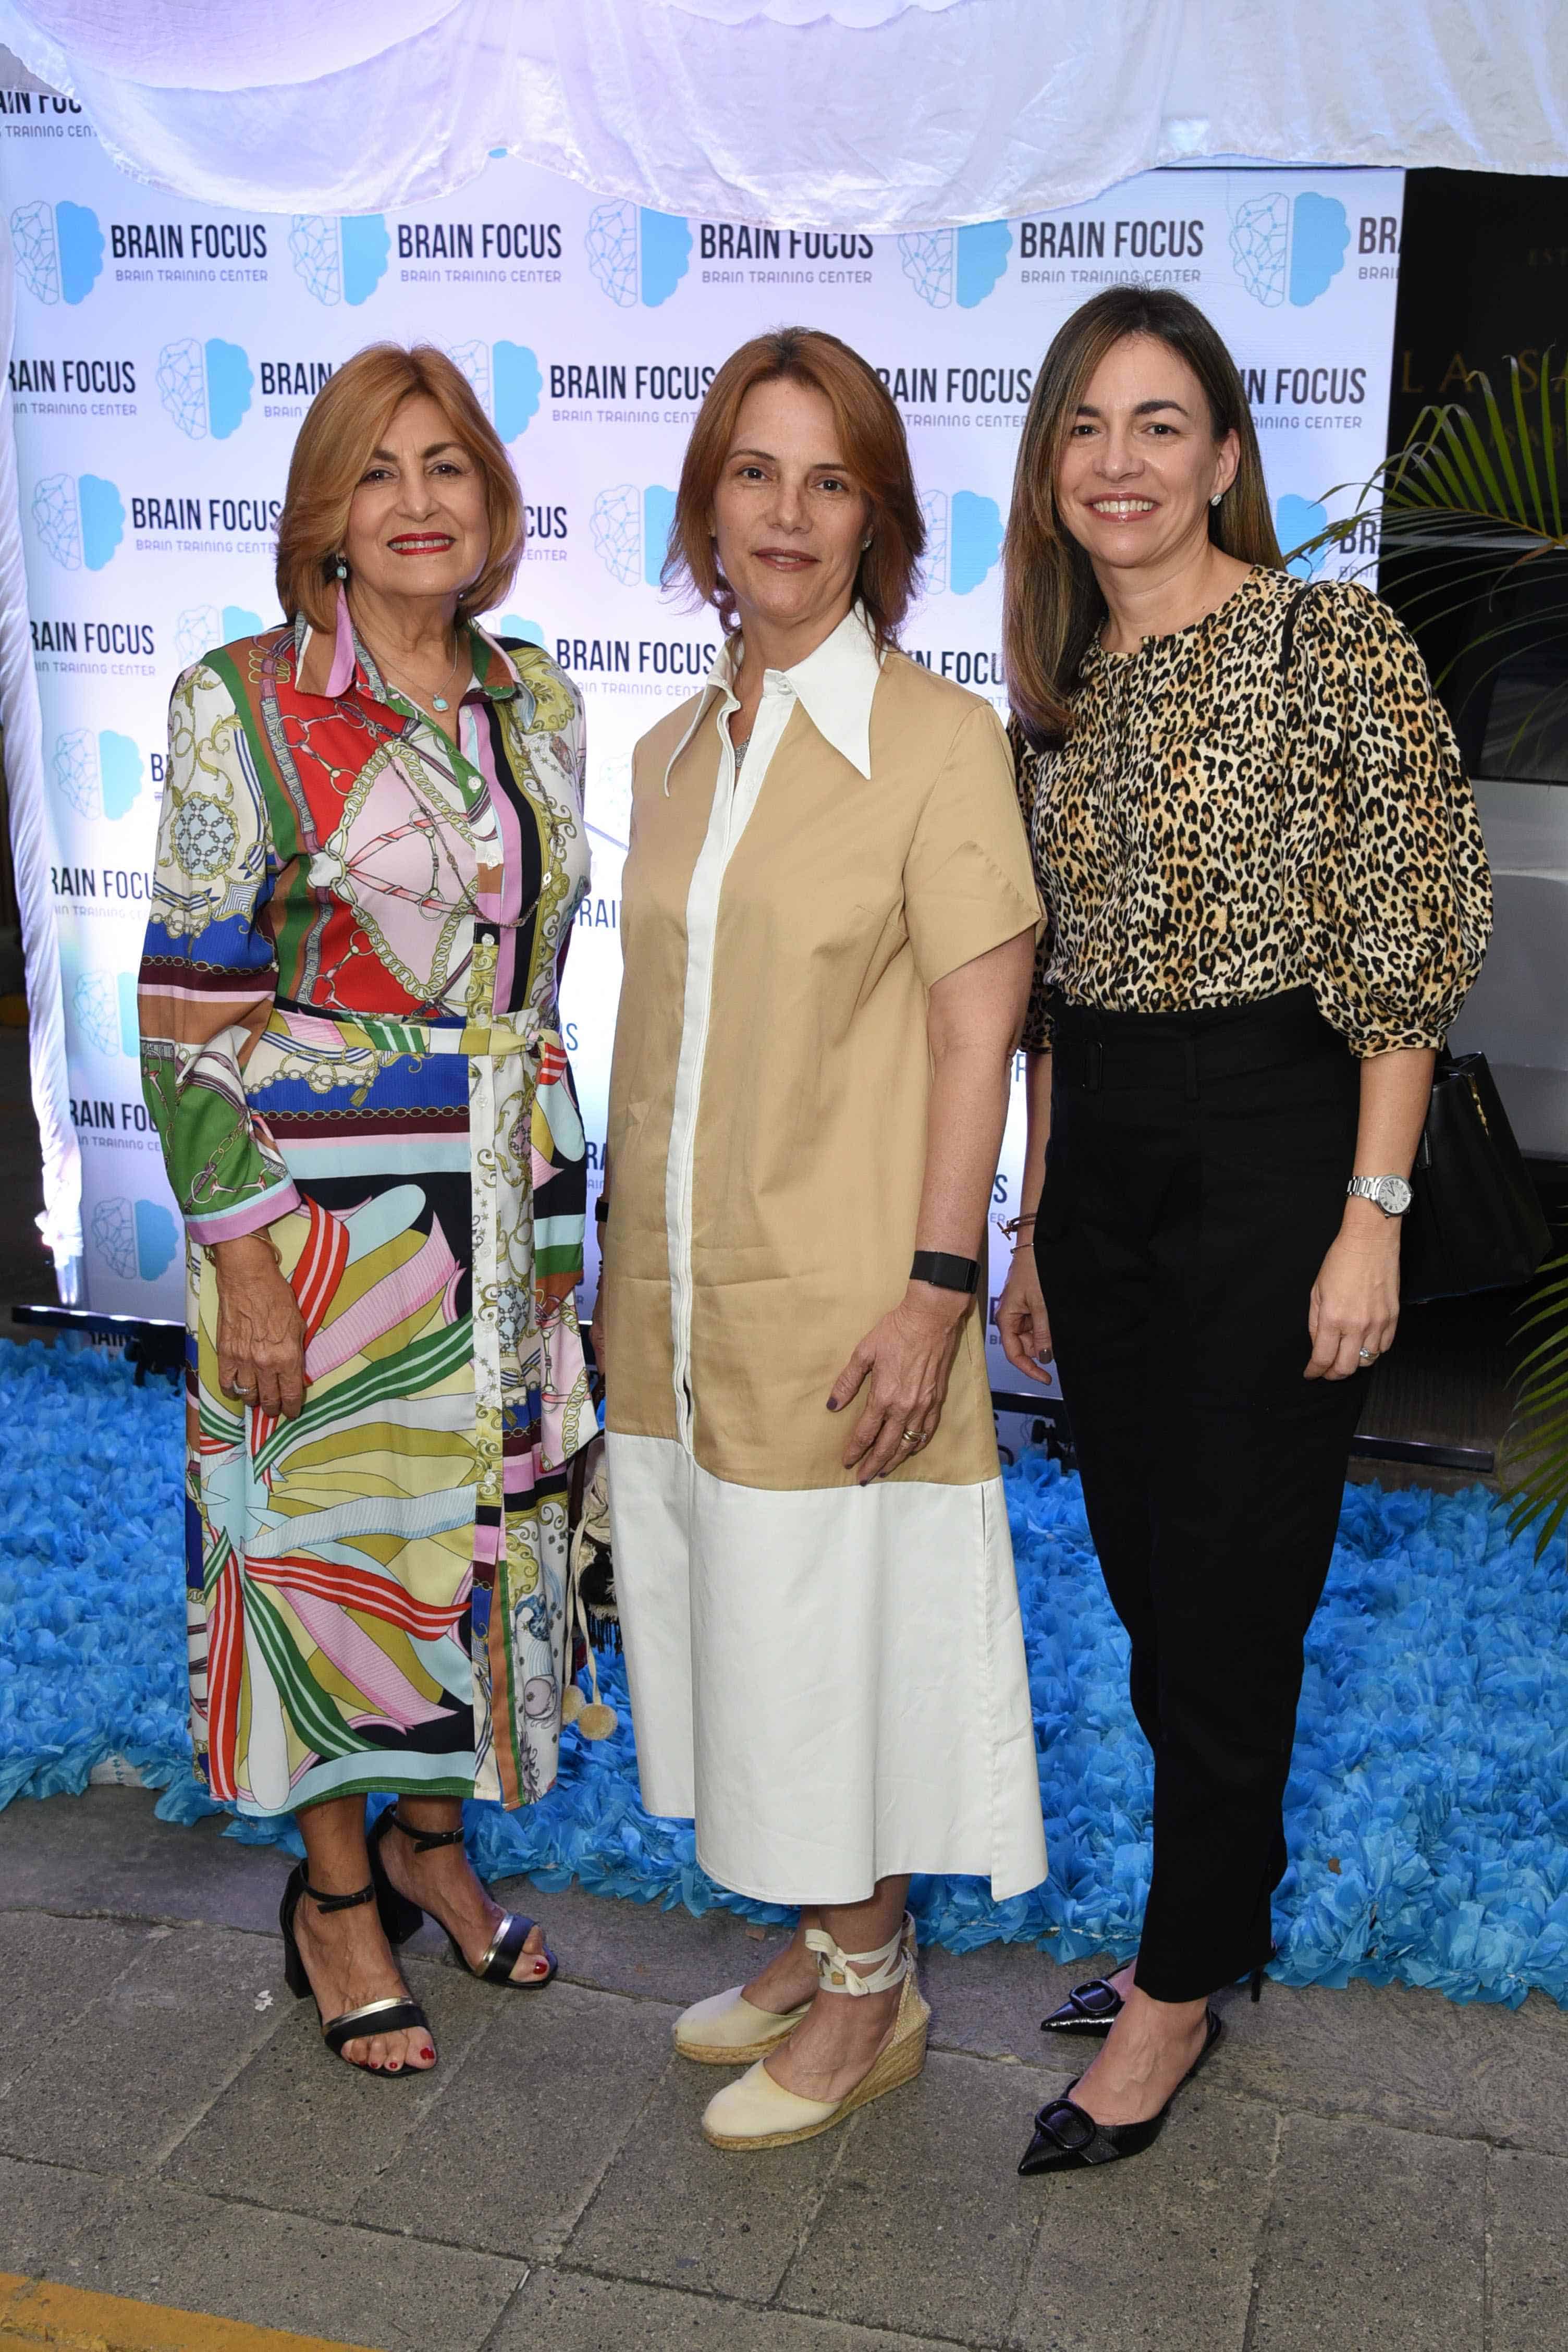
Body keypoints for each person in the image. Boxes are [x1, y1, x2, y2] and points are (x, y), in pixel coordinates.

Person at [995, 286, 1491, 2175]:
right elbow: (1047, 1005)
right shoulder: (1054, 697)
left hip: (1286, 1138)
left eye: (1162, 423)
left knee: (1238, 1589)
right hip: (1107, 1150)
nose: (1124, 463)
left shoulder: (1325, 646)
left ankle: (1181, 1989)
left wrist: (1371, 1220)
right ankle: (1213, 1914)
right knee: (1147, 1572)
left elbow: (1405, 957)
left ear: (1222, 455)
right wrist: (1036, 1223)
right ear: (1050, 471)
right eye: (1089, 428)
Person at [593, 328, 1049, 2152]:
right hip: (678, 1289)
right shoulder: (672, 747)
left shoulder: (938, 748)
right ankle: (815, 1924)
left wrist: (941, 1285)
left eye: (829, 479)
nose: (786, 514)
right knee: (722, 1623)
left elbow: (978, 1030)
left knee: (816, 1632)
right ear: (708, 503)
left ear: (880, 518)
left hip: (850, 1280)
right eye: (755, 473)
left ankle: (873, 1988)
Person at [139, 344, 594, 2078]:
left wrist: (558, 1221)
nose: (419, 502)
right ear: (325, 515)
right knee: (322, 1547)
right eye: (379, 472)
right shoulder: (241, 700)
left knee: (461, 1546)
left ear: (492, 501)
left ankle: (430, 1843)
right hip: (318, 1213)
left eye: (449, 466)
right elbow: (183, 1010)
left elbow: (534, 965)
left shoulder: (537, 696)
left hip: (504, 1186)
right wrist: (245, 1257)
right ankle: (334, 1898)